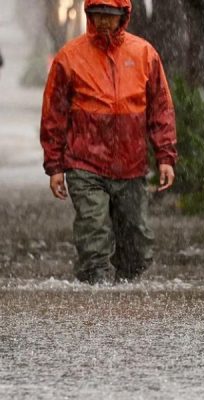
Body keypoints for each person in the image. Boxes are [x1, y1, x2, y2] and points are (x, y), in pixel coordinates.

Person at [40, 0, 177, 285]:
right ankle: (96, 296)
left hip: (131, 165)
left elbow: (160, 108)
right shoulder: (70, 57)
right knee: (93, 238)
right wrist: (55, 167)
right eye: (98, 15)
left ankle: (124, 291)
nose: (104, 22)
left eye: (110, 16)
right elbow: (54, 114)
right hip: (84, 165)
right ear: (89, 15)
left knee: (136, 245)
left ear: (123, 17)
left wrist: (165, 157)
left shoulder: (144, 54)